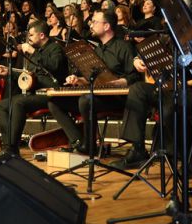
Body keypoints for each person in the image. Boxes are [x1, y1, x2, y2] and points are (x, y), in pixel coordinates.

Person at [46, 10, 139, 152]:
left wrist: (117, 82)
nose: (91, 25)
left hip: (118, 98)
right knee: (54, 102)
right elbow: (91, 79)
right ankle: (78, 141)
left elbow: (134, 76)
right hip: (96, 96)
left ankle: (89, 146)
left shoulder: (124, 47)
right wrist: (78, 79)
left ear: (106, 26)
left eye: (95, 22)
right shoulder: (97, 50)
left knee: (85, 100)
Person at [0, 20, 68, 154]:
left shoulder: (55, 48)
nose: (29, 38)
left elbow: (54, 66)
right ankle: (8, 145)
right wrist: (9, 72)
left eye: (31, 35)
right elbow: (29, 76)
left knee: (18, 103)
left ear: (42, 35)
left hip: (50, 92)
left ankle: (12, 148)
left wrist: (33, 52)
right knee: (1, 105)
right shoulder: (35, 52)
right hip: (34, 92)